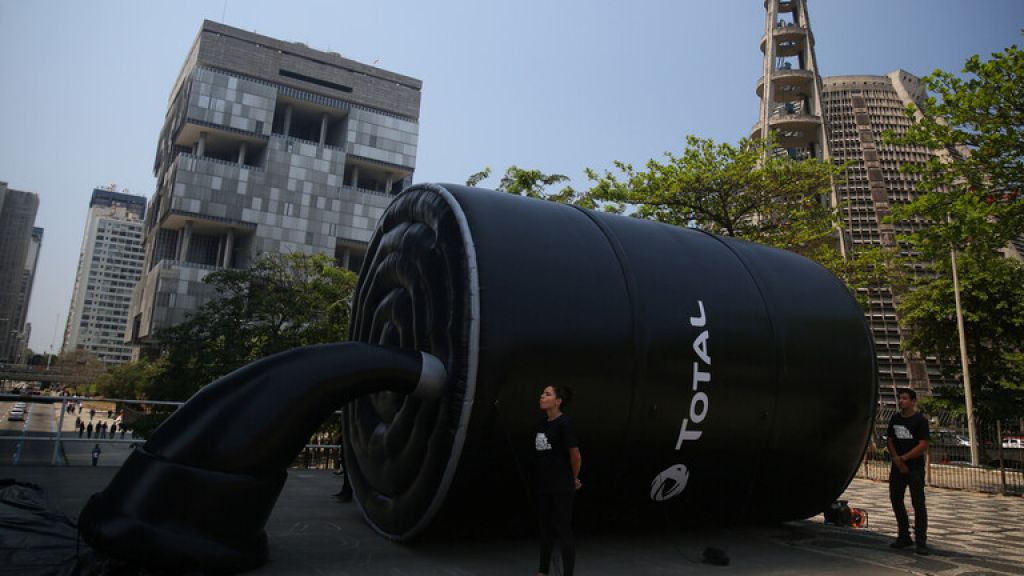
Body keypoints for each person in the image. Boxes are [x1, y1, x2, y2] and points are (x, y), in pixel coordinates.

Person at [535, 384, 582, 576]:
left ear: (558, 401)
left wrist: (573, 478)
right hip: (544, 486)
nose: (542, 396)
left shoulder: (565, 424)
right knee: (545, 530)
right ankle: (542, 571)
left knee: (563, 531)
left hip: (561, 486)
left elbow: (575, 455)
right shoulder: (542, 424)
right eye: (542, 393)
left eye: (547, 394)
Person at [887, 388, 930, 555]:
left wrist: (905, 458)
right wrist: (897, 459)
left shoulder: (920, 420)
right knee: (896, 499)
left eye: (905, 398)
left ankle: (921, 540)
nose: (901, 401)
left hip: (915, 467)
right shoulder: (895, 418)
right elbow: (890, 440)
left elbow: (923, 444)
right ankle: (903, 535)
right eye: (900, 398)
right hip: (898, 466)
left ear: (913, 401)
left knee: (918, 503)